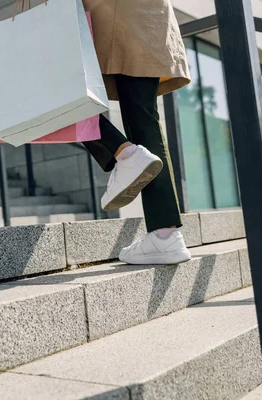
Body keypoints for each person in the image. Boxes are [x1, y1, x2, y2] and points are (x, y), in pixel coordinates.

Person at [82, 0, 192, 265]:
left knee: (58, 93)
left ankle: (125, 152)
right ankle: (166, 235)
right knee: (143, 117)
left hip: (107, 12)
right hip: (148, 14)